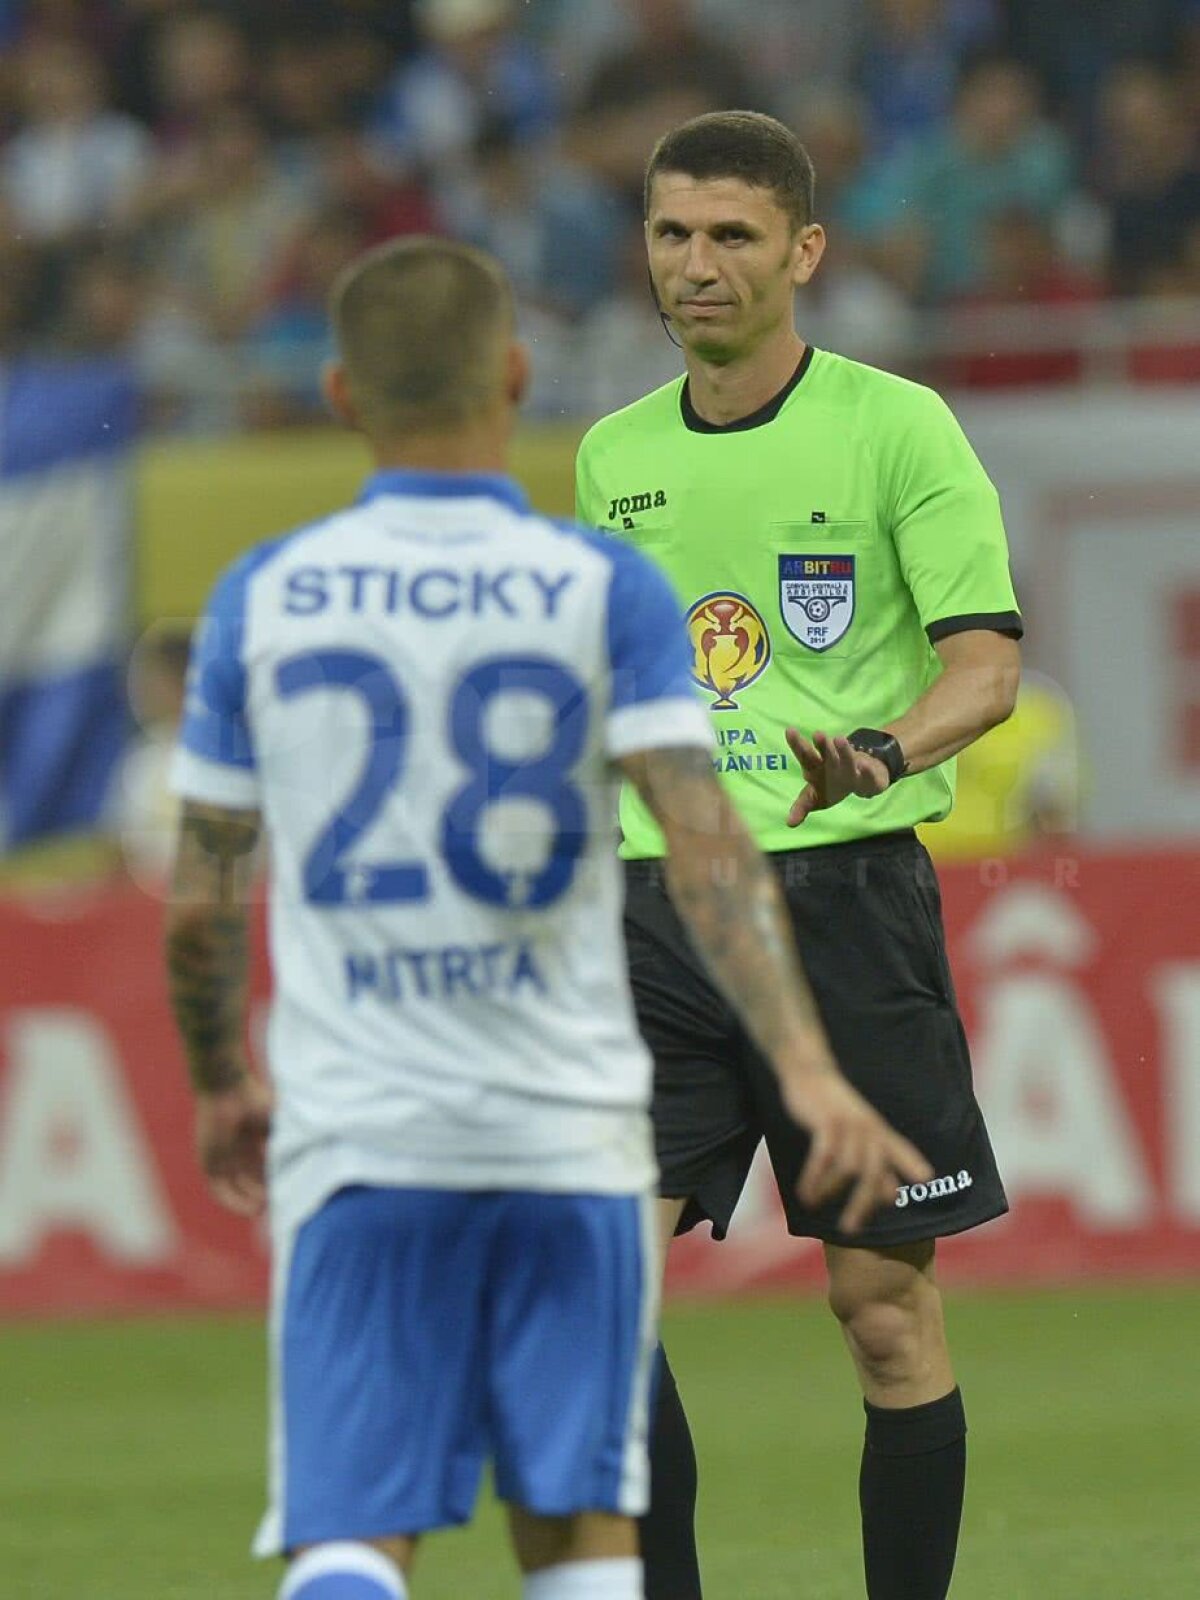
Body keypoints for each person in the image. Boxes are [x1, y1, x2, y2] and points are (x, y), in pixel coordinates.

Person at [163, 236, 929, 1600]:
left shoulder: (259, 601)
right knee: (580, 1539)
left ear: (340, 395)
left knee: (350, 1535)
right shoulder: (601, 587)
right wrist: (808, 1072)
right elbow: (708, 852)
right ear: (516, 376)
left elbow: (207, 892)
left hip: (361, 1132)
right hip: (564, 1133)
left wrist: (224, 1077)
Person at [574, 111, 1023, 1600]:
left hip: (846, 903)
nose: (695, 266)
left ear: (804, 253)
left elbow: (986, 667)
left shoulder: (898, 428)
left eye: (732, 236)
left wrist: (885, 753)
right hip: (661, 909)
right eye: (671, 235)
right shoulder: (611, 456)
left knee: (880, 1313)